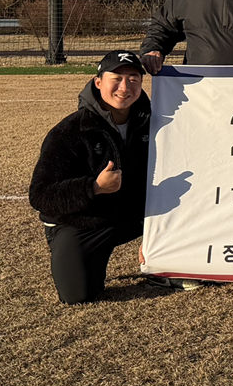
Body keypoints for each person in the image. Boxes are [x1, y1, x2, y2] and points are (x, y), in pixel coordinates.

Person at [29, 51, 151, 303]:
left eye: (133, 79)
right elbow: (40, 195)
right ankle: (71, 249)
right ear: (98, 82)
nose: (125, 87)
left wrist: (157, 234)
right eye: (116, 79)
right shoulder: (71, 131)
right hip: (85, 222)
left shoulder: (156, 123)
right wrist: (93, 187)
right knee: (78, 294)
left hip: (134, 214)